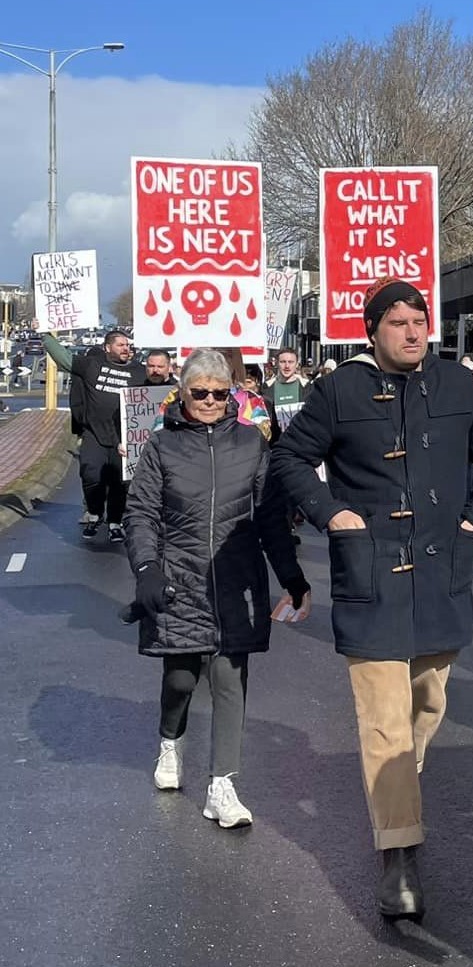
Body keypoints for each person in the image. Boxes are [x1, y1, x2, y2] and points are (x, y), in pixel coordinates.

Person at [269, 276, 473, 922]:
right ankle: (399, 857)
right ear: (371, 329)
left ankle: (398, 789)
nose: (411, 330)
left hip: (441, 573)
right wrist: (329, 511)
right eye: (397, 321)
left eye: (419, 319)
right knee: (383, 716)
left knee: (427, 703)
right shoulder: (338, 389)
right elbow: (290, 459)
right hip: (371, 574)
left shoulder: (459, 385)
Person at [125, 349, 312, 827]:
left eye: (219, 392)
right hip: (179, 579)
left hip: (236, 580)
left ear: (232, 393)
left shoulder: (252, 444)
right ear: (182, 393)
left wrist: (291, 577)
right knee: (182, 677)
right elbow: (141, 513)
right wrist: (147, 569)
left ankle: (222, 786)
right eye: (200, 392)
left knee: (230, 679)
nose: (210, 400)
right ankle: (171, 741)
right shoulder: (161, 447)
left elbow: (271, 518)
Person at [44, 328, 148, 542]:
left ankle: (115, 522)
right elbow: (64, 359)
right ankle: (95, 512)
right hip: (94, 433)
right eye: (120, 345)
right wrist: (45, 334)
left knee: (121, 482)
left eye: (128, 345)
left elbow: (161, 386)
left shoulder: (140, 371)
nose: (126, 349)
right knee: (91, 473)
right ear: (107, 347)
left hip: (125, 438)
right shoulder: (92, 365)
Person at [261, 347, 309, 437]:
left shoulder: (307, 387)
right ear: (277, 364)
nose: (287, 366)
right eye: (283, 362)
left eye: (291, 362)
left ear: (297, 364)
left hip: (301, 442)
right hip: (276, 444)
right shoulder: (266, 388)